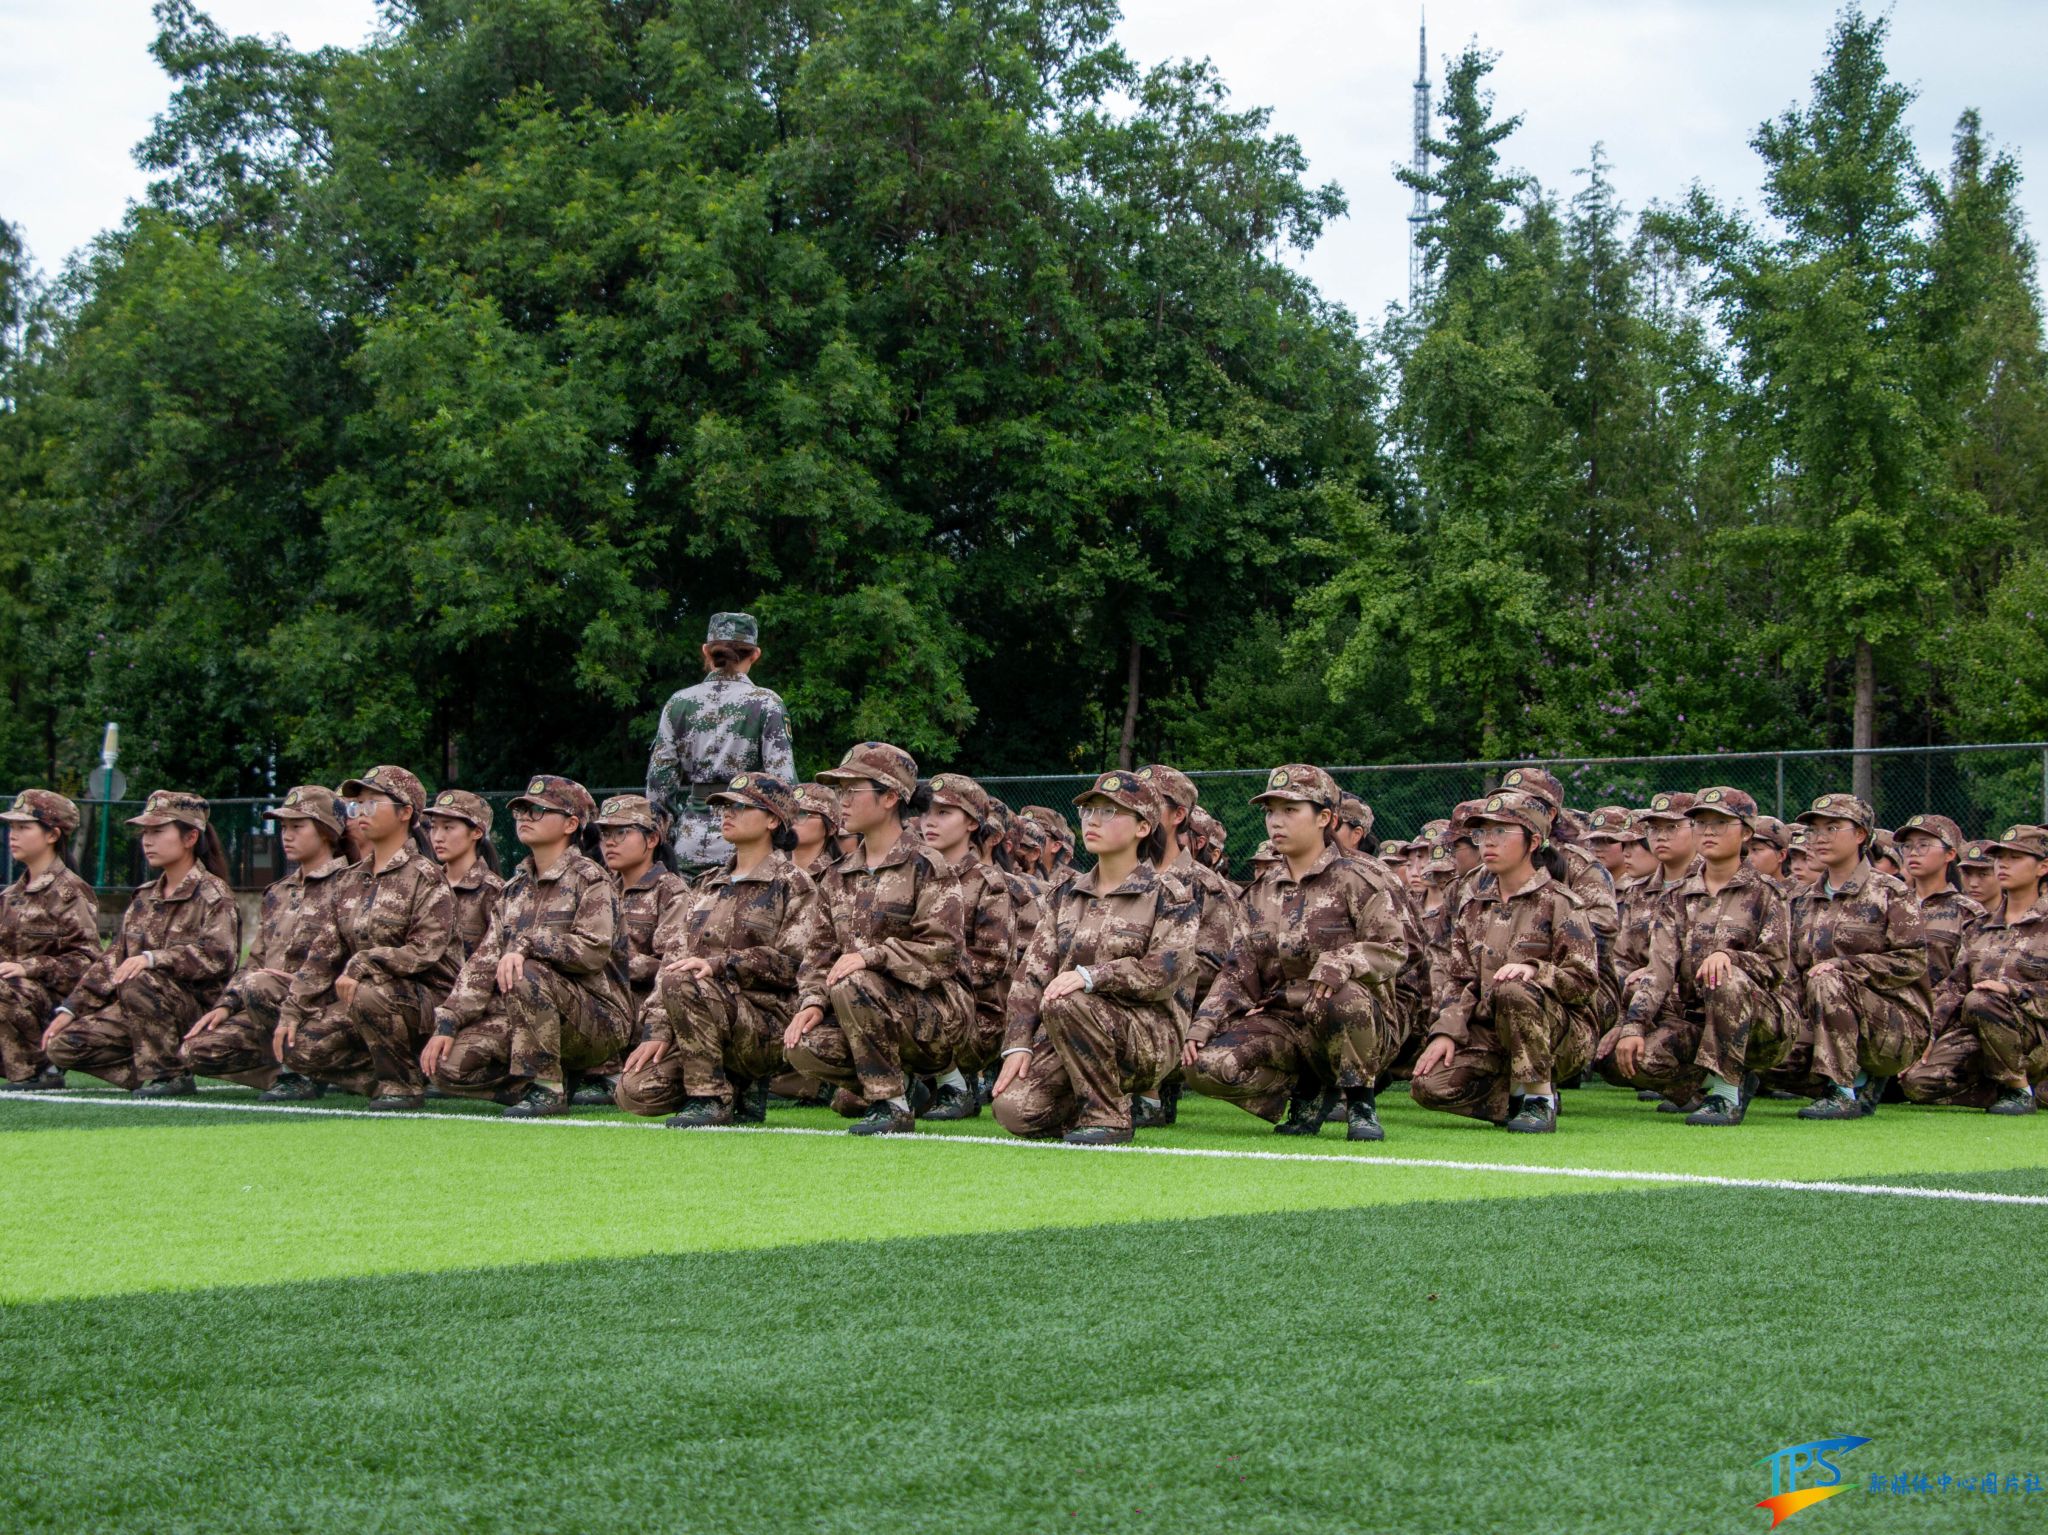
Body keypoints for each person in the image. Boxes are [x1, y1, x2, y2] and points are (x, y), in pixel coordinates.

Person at [1182, 764, 1408, 1141]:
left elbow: (1395, 950)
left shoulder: (1357, 879)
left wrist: (1343, 962)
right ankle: (1307, 1090)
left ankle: (1360, 1101)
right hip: (1288, 1023)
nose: (1276, 821)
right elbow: (1238, 970)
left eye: (1290, 810)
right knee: (1203, 1067)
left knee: (1338, 997)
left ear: (1324, 818)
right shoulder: (1260, 892)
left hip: (1358, 1025)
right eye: (1271, 811)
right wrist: (1204, 1023)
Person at [991, 771, 1196, 1145]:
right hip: (1073, 1030)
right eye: (1089, 811)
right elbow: (1031, 975)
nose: (1093, 821)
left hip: (1146, 1036)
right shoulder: (1065, 894)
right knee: (1014, 1110)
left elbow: (1164, 972)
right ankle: (1089, 1102)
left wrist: (1092, 976)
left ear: (1143, 827)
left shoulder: (1168, 895)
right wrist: (1018, 1042)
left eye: (1109, 812)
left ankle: (1109, 1118)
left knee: (1068, 999)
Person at [783, 743, 970, 1136]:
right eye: (839, 791)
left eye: (853, 790)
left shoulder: (928, 866)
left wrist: (873, 957)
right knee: (801, 1045)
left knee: (853, 979)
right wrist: (813, 1001)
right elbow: (819, 956)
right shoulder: (837, 875)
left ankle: (892, 1104)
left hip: (935, 1017)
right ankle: (907, 1087)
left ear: (889, 798)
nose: (843, 801)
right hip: (862, 1011)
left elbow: (943, 952)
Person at [616, 773, 822, 1126]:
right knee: (635, 1091)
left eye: (741, 807)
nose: (728, 813)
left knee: (687, 981)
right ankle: (736, 1086)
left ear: (773, 820)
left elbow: (795, 963)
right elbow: (673, 961)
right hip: (703, 1016)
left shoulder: (793, 883)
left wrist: (722, 964)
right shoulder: (708, 884)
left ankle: (710, 1097)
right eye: (725, 806)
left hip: (765, 1023)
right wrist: (657, 1029)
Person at [424, 776, 631, 1116]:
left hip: (597, 1020)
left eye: (537, 811)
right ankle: (543, 1082)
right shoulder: (514, 889)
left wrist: (528, 944)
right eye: (521, 811)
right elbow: (481, 965)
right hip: (528, 1017)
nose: (524, 817)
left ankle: (547, 1088)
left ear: (570, 824)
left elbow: (592, 951)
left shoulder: (591, 879)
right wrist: (447, 1022)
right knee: (447, 1066)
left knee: (526, 971)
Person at [1410, 790, 1598, 1134]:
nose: (1489, 842)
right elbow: (1458, 980)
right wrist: (1447, 1031)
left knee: (1514, 988)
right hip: (1493, 1033)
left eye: (1501, 831)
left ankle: (1539, 1099)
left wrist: (1536, 971)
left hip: (1558, 1036)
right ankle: (1514, 1098)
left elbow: (1584, 982)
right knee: (1428, 1085)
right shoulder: (1474, 907)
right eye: (1482, 833)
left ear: (1533, 841)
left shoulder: (1560, 903)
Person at [1603, 788, 1794, 1125]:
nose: (1709, 832)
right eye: (1701, 823)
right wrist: (1633, 1026)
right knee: (1635, 1061)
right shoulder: (1677, 896)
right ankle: (1707, 1082)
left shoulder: (1766, 894)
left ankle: (1726, 1093)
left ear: (1746, 833)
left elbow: (1776, 966)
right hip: (1694, 1020)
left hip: (1760, 1022)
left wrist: (1731, 958)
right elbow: (1659, 970)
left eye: (1720, 824)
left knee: (1726, 977)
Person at [272, 766, 458, 1107]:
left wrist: (363, 963)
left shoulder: (426, 877)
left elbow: (423, 952)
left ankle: (402, 1085)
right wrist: (293, 1010)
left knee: (369, 992)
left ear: (405, 813)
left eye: (373, 803)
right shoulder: (350, 879)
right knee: (294, 1047)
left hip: (424, 1002)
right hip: (364, 999)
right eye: (357, 804)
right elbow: (323, 954)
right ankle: (385, 1075)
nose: (360, 812)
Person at [44, 791, 239, 1095]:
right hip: (140, 1007)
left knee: (139, 977)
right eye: (145, 833)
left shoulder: (214, 894)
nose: (147, 841)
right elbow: (112, 960)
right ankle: (151, 1061)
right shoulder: (145, 896)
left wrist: (152, 958)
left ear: (190, 838)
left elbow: (219, 957)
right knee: (63, 1046)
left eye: (158, 831)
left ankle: (170, 1075)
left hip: (194, 1009)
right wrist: (71, 1009)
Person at [183, 786, 352, 1093]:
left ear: (326, 831)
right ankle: (298, 1071)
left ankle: (304, 1070)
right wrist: (227, 1004)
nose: (287, 835)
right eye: (284, 827)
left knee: (260, 984)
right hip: (267, 1005)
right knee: (196, 1050)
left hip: (321, 1008)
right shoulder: (278, 892)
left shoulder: (350, 886)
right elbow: (256, 960)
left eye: (297, 827)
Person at [1782, 793, 1931, 1120]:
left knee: (1828, 979)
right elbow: (1792, 970)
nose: (1820, 838)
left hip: (1892, 1025)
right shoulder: (1803, 899)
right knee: (1772, 1054)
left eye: (1832, 828)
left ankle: (1843, 1090)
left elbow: (1912, 960)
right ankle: (1857, 1081)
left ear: (1861, 834)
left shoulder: (1890, 892)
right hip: (1822, 1019)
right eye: (1814, 830)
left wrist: (1844, 967)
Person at [1900, 822, 2048, 1114]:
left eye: (2016, 858)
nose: (2003, 865)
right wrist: (1929, 1034)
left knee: (1983, 1000)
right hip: (1984, 1031)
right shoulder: (1979, 927)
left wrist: (2012, 991)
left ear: (2043, 867)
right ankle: (2023, 1088)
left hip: (2037, 1032)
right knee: (1918, 1083)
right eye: (2000, 858)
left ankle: (2018, 1091)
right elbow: (1954, 988)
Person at [645, 611, 797, 875]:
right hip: (747, 841)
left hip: (690, 840)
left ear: (706, 651)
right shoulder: (767, 704)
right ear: (755, 655)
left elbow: (658, 786)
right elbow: (783, 782)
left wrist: (670, 834)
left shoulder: (678, 703)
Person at [913, 773, 1015, 1120]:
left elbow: (992, 962)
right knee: (850, 1102)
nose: (930, 821)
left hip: (975, 1014)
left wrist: (921, 964)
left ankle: (955, 1083)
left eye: (944, 813)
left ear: (972, 823)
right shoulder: (910, 877)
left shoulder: (988, 884)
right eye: (926, 812)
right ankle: (917, 1080)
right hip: (919, 1000)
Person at [591, 793, 689, 1104]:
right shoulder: (598, 888)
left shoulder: (671, 892)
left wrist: (611, 961)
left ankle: (606, 1073)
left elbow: (671, 965)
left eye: (622, 832)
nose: (610, 842)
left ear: (652, 839)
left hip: (643, 1005)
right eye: (605, 833)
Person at [0, 791, 99, 1091]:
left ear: (53, 835)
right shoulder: (10, 896)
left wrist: (30, 967)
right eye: (11, 827)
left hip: (53, 1006)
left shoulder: (69, 892)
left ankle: (39, 1068)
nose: (12, 835)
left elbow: (88, 962)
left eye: (23, 827)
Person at [1895, 813, 1984, 989]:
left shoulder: (1968, 912)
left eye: (1923, 845)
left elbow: (1966, 977)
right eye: (1907, 846)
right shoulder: (1892, 903)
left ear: (1949, 854)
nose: (1913, 853)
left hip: (1940, 1002)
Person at [422, 790, 503, 960]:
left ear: (476, 832)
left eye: (448, 827)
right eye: (433, 827)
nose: (437, 837)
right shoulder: (425, 883)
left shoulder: (493, 891)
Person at [790, 783, 846, 878]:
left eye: (801, 814)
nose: (791, 820)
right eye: (787, 812)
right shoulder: (773, 876)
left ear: (831, 828)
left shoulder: (843, 878)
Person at [1582, 806, 1634, 880]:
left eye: (1607, 841)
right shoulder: (1584, 881)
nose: (1597, 848)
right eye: (1592, 840)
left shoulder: (1640, 885)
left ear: (1628, 842)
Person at [1749, 817, 1791, 884]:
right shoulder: (1735, 888)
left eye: (1755, 849)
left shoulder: (1798, 890)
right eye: (1744, 850)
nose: (1747, 858)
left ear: (1781, 855)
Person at [1957, 839, 1997, 908]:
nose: (1973, 884)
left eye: (1983, 874)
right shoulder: (1948, 912)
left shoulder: (2015, 913)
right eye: (1967, 874)